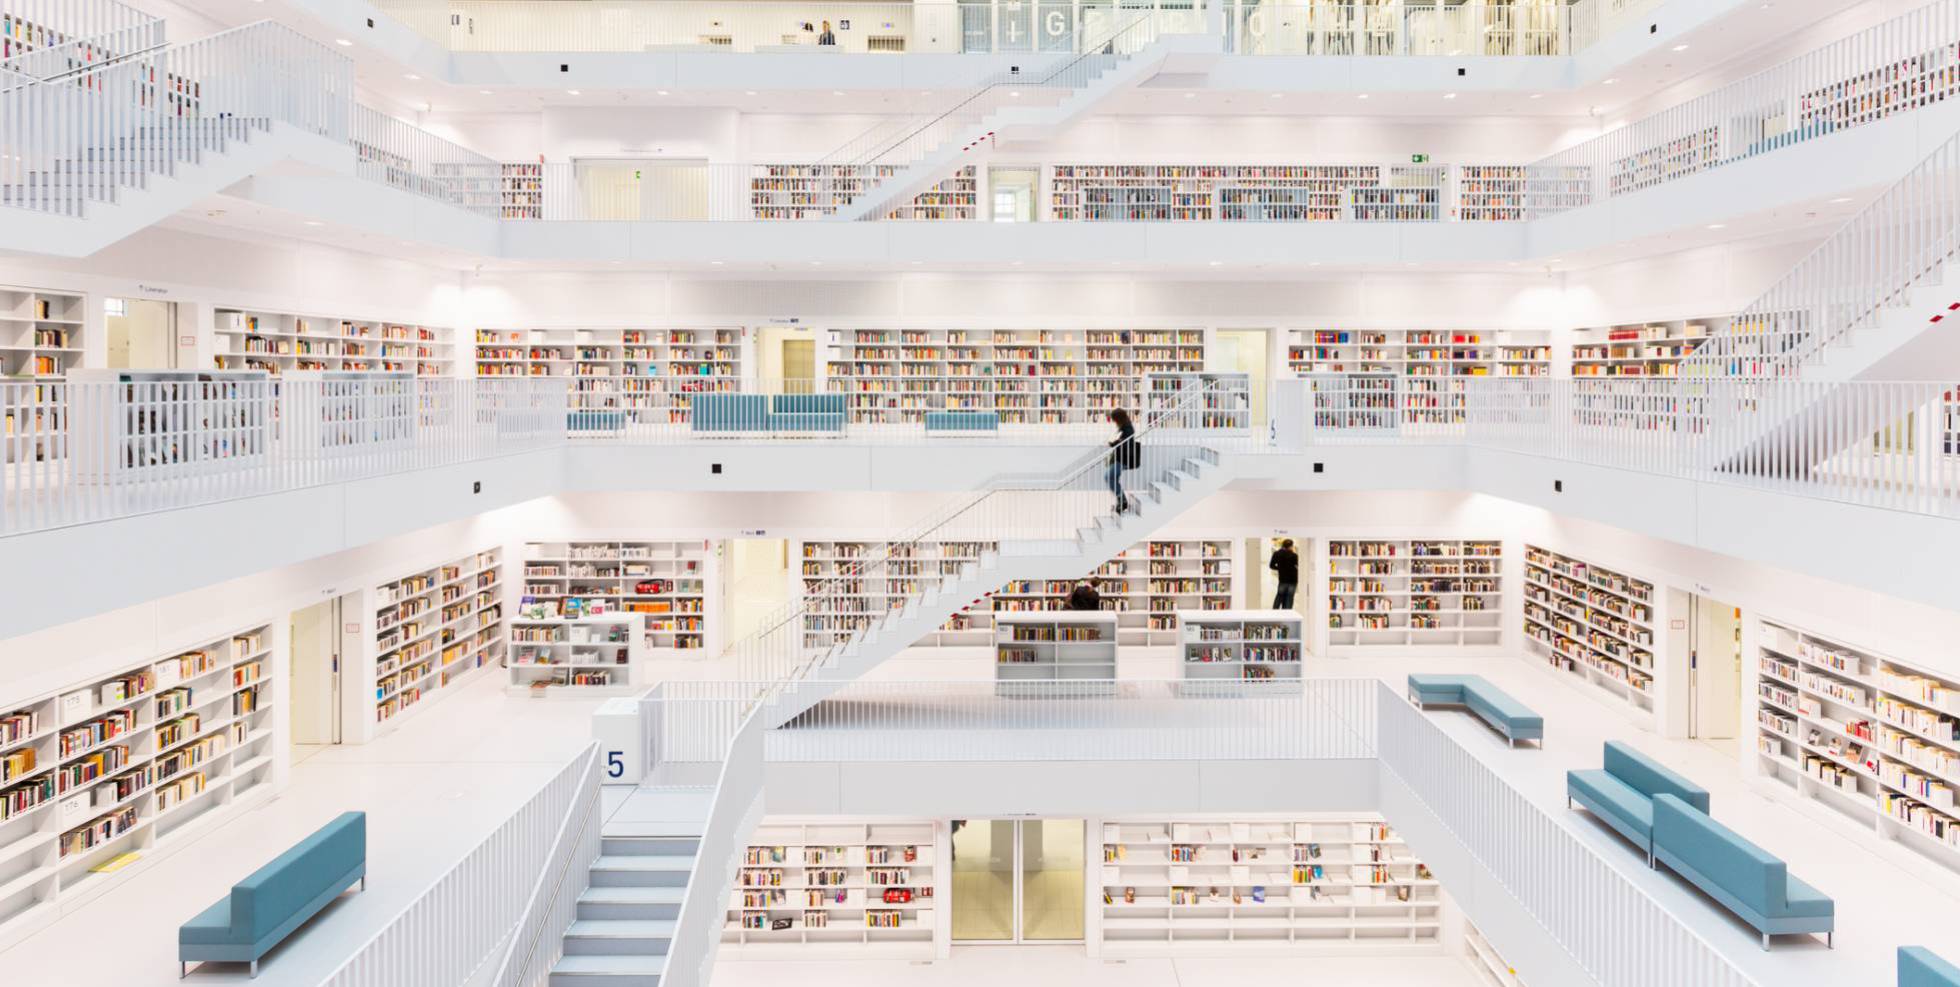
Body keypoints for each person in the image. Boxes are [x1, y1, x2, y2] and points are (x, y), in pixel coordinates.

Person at [1106, 408, 1138, 514]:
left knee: (1109, 477)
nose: (1114, 421)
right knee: (1111, 478)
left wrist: (1115, 443)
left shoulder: (1127, 428)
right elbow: (1122, 441)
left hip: (1123, 459)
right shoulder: (1125, 427)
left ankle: (1122, 500)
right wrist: (1115, 442)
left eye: (1115, 419)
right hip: (1121, 458)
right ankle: (1121, 500)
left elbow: (1124, 443)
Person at [1269, 539, 1299, 610]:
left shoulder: (1277, 554)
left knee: (1279, 596)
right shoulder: (1294, 555)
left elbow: (1271, 565)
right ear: (1291, 546)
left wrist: (1279, 568)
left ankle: (1274, 612)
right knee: (1289, 598)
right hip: (1292, 580)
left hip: (1282, 579)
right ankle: (1287, 614)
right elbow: (1297, 566)